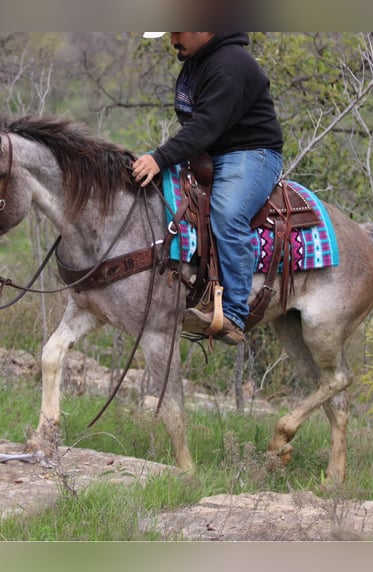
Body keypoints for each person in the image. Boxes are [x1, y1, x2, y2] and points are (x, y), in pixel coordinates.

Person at [132, 32, 283, 345]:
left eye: (177, 31)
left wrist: (160, 157)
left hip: (252, 153)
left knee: (228, 215)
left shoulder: (229, 65)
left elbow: (205, 126)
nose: (172, 39)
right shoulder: (196, 61)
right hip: (210, 154)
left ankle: (234, 314)